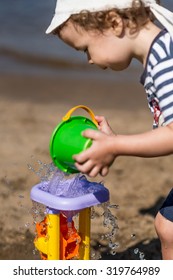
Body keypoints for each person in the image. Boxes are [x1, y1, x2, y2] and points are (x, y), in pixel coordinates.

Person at [46, 0, 173, 259]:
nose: (90, 60)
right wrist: (113, 141)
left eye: (86, 49)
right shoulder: (160, 55)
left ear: (114, 22)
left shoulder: (164, 60)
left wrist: (116, 146)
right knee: (168, 227)